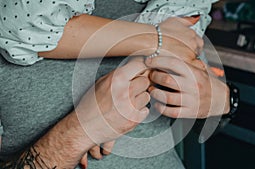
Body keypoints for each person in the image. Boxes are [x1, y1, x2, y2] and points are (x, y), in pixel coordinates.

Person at [0, 0, 230, 168]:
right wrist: (76, 133)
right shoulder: (19, 18)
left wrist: (224, 102)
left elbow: (200, 117)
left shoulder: (173, 11)